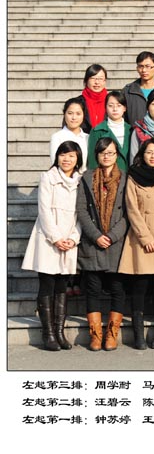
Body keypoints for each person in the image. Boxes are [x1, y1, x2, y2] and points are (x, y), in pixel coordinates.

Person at [22, 141, 83, 351]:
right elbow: (44, 210)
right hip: (48, 238)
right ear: (57, 157)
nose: (67, 159)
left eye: (71, 156)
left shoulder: (80, 181)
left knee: (62, 285)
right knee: (47, 283)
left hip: (69, 238)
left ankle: (59, 331)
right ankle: (47, 333)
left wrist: (73, 238)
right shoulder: (48, 177)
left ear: (78, 159)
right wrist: (56, 238)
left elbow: (81, 214)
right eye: (63, 155)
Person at [117, 138, 154, 349]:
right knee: (139, 285)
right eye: (149, 152)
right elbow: (132, 209)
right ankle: (138, 334)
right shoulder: (134, 176)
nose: (153, 156)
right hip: (141, 238)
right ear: (142, 154)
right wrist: (146, 239)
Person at [76, 137, 129, 351]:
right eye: (102, 152)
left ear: (117, 155)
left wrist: (113, 235)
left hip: (117, 242)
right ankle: (96, 335)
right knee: (93, 289)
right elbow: (81, 210)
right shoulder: (87, 178)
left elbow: (128, 213)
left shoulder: (125, 178)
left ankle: (112, 334)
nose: (106, 156)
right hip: (92, 242)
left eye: (111, 152)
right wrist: (96, 235)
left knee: (117, 288)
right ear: (96, 155)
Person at [122, 52, 154, 126]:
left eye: (148, 66)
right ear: (137, 68)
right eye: (141, 66)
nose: (144, 70)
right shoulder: (128, 91)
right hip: (134, 132)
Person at [87, 91, 131, 172]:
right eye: (110, 106)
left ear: (124, 108)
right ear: (106, 108)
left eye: (119, 105)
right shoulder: (97, 131)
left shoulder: (131, 130)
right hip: (105, 176)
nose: (115, 109)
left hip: (129, 176)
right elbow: (93, 160)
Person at [49, 97, 89, 171]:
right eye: (70, 113)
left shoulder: (88, 138)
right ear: (64, 114)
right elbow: (55, 164)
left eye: (78, 114)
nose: (74, 117)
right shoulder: (57, 137)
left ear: (83, 115)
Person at [72, 63, 108, 130]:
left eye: (100, 79)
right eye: (93, 78)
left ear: (105, 81)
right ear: (86, 81)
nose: (97, 82)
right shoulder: (77, 102)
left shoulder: (111, 102)